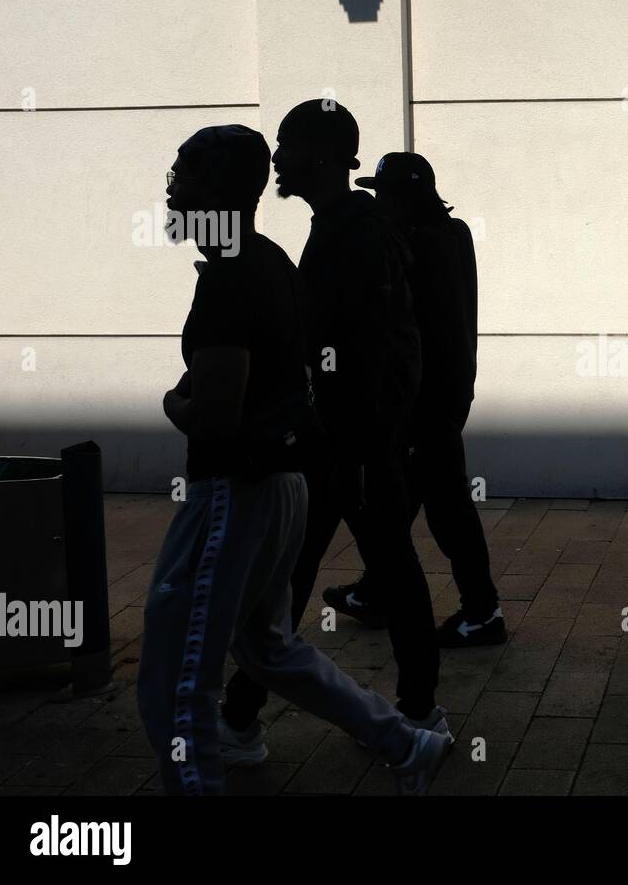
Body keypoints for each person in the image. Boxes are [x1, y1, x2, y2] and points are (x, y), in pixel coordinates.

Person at [136, 124, 449, 795]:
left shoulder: (232, 277)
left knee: (179, 676)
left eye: (182, 174)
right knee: (268, 646)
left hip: (236, 489)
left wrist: (174, 403)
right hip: (284, 483)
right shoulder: (272, 258)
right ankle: (407, 740)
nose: (171, 188)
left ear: (214, 190)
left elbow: (216, 416)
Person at [219, 102, 449, 753]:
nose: (277, 159)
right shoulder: (338, 226)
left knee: (383, 574)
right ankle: (241, 714)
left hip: (357, 443)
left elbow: (379, 347)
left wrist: (364, 445)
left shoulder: (357, 231)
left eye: (287, 146)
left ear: (322, 154)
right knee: (295, 573)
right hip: (338, 441)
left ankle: (418, 712)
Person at [324, 151, 505, 648]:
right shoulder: (453, 235)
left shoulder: (417, 247)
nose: (379, 203)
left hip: (425, 402)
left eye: (384, 195)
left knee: (447, 509)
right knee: (397, 500)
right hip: (441, 396)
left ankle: (483, 611)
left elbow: (404, 322)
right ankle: (377, 592)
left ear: (403, 199)